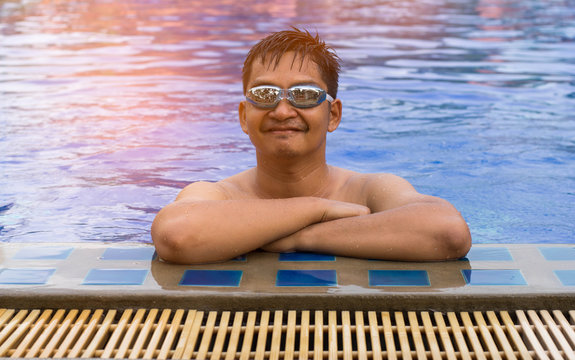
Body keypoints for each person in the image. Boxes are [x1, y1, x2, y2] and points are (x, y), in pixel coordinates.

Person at [151, 28, 471, 264]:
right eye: (264, 95)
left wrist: (301, 238)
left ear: (332, 114)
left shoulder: (368, 190)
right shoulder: (218, 194)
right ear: (244, 116)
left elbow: (448, 232)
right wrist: (318, 209)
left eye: (304, 94)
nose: (282, 110)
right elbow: (176, 236)